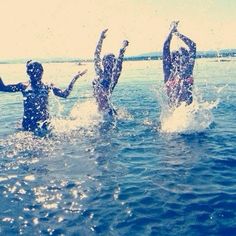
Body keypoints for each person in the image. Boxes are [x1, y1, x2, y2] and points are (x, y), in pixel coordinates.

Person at [0, 60, 87, 133]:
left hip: (45, 124)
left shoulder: (47, 86)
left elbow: (65, 94)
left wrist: (75, 78)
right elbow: (2, 87)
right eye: (34, 71)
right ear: (28, 72)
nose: (37, 73)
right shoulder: (23, 86)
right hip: (28, 125)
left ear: (42, 71)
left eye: (39, 71)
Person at [93, 29, 129, 116]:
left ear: (114, 62)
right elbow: (96, 55)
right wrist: (101, 38)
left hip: (108, 113)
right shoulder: (100, 73)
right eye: (106, 59)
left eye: (112, 60)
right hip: (98, 111)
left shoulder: (113, 77)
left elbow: (119, 62)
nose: (108, 62)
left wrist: (122, 49)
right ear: (103, 62)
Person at [163, 21, 196, 107]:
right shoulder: (170, 72)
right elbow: (193, 46)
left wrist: (173, 31)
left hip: (180, 112)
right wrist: (176, 33)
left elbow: (165, 46)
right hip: (184, 112)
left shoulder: (169, 73)